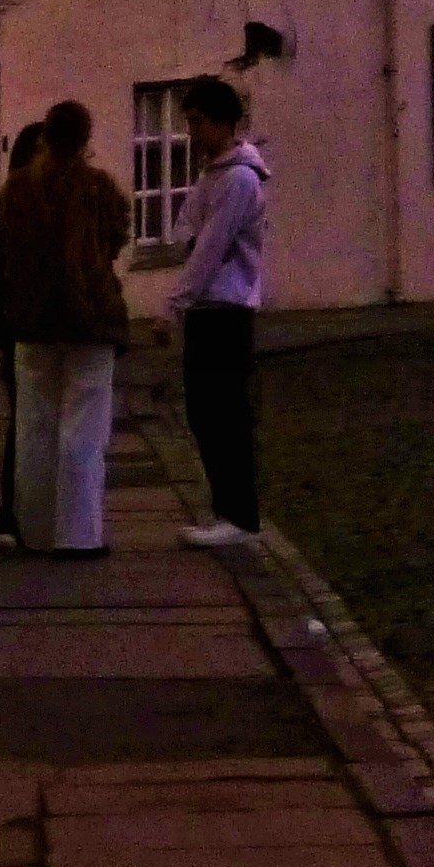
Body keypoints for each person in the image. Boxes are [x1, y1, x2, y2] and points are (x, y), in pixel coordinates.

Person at [5, 96, 129, 556]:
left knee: (34, 427)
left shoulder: (16, 189)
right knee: (84, 429)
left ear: (44, 136)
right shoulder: (98, 188)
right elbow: (117, 236)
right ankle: (78, 535)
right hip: (89, 320)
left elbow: (6, 249)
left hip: (33, 320)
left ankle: (34, 531)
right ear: (85, 140)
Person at [165, 74, 270, 548]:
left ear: (222, 123)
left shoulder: (240, 180)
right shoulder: (213, 175)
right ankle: (227, 509)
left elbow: (207, 247)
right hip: (209, 308)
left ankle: (238, 515)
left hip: (225, 309)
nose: (191, 132)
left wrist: (173, 306)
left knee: (223, 414)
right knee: (204, 413)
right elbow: (182, 230)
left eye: (196, 122)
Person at [0, 119, 56, 551]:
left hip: (50, 333)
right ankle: (12, 517)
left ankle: (35, 516)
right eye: (40, 151)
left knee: (45, 426)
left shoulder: (57, 206)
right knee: (25, 425)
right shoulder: (7, 211)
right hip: (18, 336)